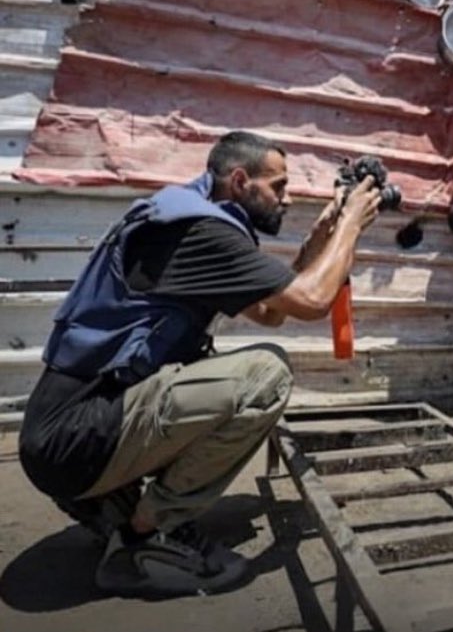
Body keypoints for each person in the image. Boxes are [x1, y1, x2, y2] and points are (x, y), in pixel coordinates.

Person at [18, 131, 382, 596]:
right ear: (239, 180)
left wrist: (320, 240)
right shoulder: (201, 234)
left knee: (231, 368)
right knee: (265, 376)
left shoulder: (181, 218)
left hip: (62, 433)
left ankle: (112, 504)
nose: (286, 199)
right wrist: (351, 225)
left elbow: (271, 313)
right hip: (73, 440)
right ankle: (144, 537)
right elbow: (311, 301)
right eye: (278, 187)